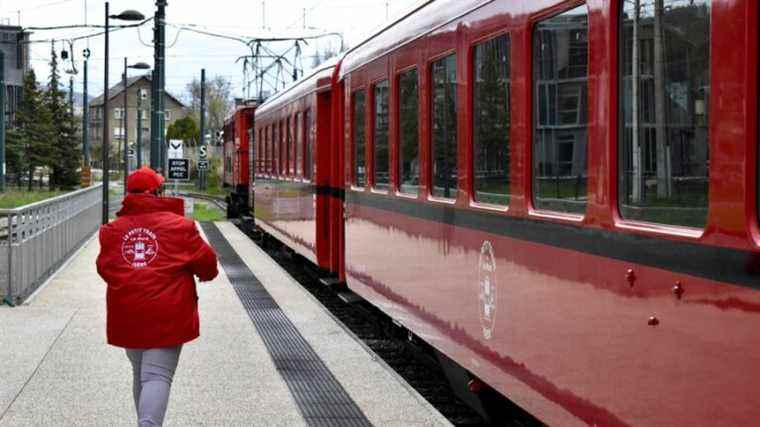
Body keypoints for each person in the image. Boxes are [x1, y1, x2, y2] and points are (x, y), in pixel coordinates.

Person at [96, 166, 218, 426]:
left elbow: (105, 268)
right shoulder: (181, 227)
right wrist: (203, 276)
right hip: (168, 314)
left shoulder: (112, 230)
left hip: (127, 311)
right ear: (158, 193)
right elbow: (207, 265)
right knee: (156, 376)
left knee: (141, 373)